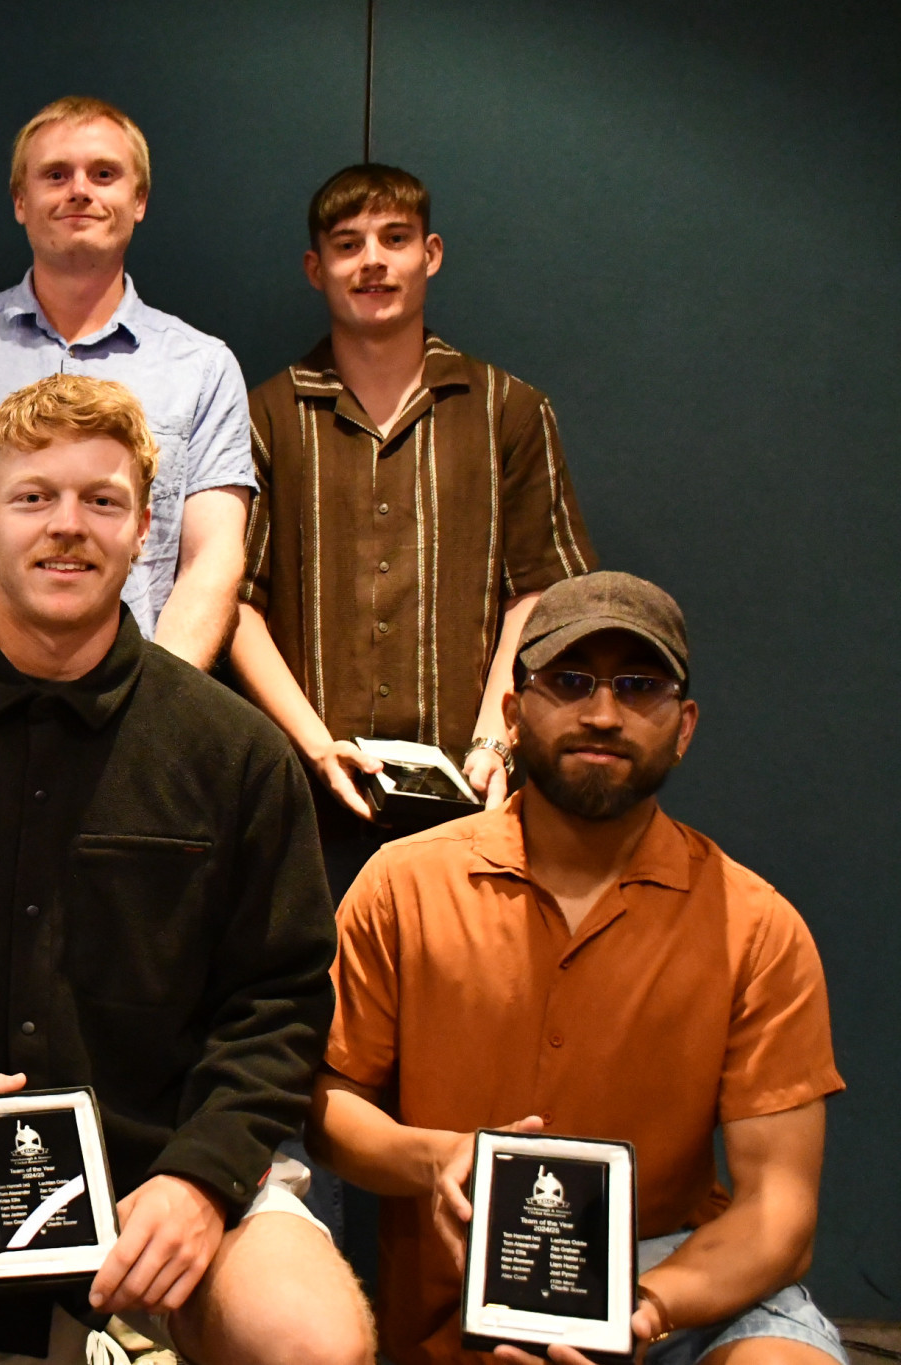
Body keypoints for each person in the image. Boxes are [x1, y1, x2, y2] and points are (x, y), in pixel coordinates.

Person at [0, 374, 373, 1365]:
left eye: (100, 501)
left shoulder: (232, 752)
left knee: (304, 1340)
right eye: (32, 498)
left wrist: (203, 1178)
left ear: (143, 528)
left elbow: (277, 1003)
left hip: (176, 1188)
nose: (66, 527)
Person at [309, 571, 848, 1365]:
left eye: (639, 686)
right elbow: (329, 1107)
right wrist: (444, 1158)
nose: (603, 713)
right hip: (459, 1300)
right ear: (513, 712)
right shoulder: (403, 884)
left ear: (685, 724)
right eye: (569, 681)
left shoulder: (757, 925)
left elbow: (780, 1209)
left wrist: (640, 1310)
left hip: (679, 1293)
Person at [229, 163, 596, 894]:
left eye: (394, 238)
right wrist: (316, 747)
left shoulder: (509, 410)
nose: (372, 260)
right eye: (347, 243)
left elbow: (543, 592)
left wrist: (496, 739)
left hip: (472, 800)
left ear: (430, 254)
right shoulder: (263, 415)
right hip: (304, 810)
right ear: (315, 268)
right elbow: (235, 602)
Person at [0, 96, 253, 668]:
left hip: (137, 706)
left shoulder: (204, 367)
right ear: (21, 201)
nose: (80, 190)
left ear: (139, 199)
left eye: (104, 174)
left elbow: (214, 562)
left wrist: (158, 707)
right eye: (56, 175)